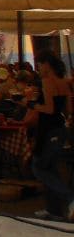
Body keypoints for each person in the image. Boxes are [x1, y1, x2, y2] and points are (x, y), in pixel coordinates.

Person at [25, 52, 74, 221]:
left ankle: (70, 198)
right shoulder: (64, 82)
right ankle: (54, 209)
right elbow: (68, 109)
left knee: (39, 167)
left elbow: (49, 109)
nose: (38, 68)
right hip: (60, 129)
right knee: (51, 168)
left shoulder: (47, 82)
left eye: (40, 64)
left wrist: (31, 104)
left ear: (47, 65)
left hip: (48, 129)